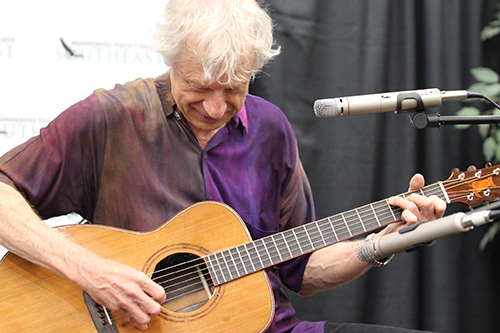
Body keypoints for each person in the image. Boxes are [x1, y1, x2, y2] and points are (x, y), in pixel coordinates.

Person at [0, 0, 446, 332]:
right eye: (199, 87)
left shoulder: (270, 129)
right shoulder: (112, 118)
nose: (215, 108)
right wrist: (89, 271)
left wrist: (380, 244)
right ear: (171, 61)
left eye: (233, 89)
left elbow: (302, 269)